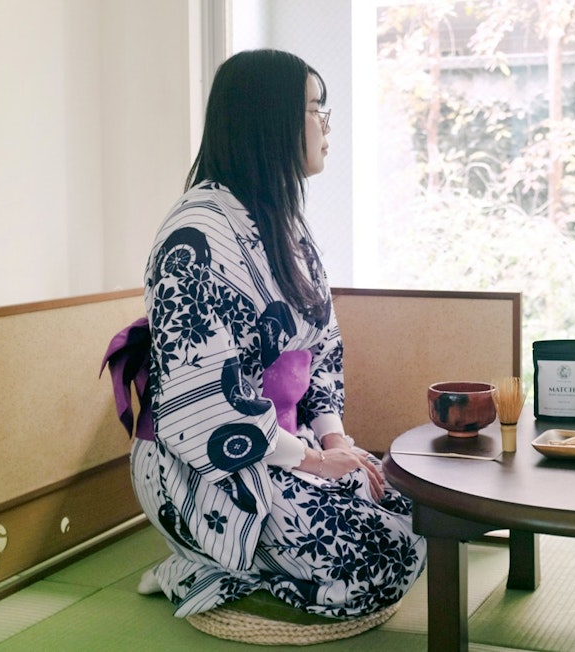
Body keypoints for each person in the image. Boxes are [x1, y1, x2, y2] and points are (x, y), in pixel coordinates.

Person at [129, 49, 426, 619]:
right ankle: (201, 564)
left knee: (416, 508)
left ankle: (229, 566)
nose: (326, 125)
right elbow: (202, 403)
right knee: (372, 558)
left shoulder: (282, 218)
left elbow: (322, 347)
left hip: (288, 441)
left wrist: (334, 442)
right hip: (209, 461)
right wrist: (310, 461)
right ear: (269, 121)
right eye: (315, 109)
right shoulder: (193, 237)